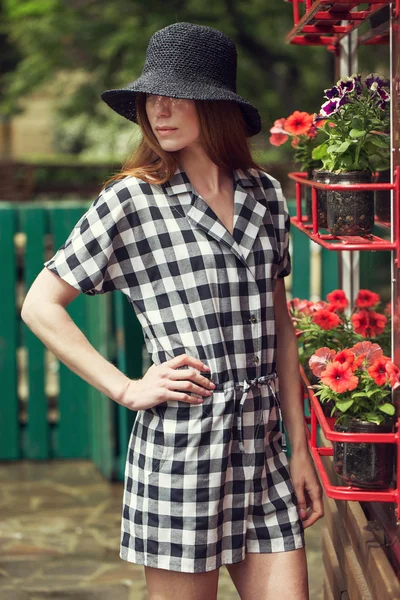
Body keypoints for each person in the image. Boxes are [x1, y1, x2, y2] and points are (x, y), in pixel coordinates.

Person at [21, 21, 323, 600]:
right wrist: (126, 388)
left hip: (261, 454)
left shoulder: (265, 193)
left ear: (216, 105)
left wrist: (299, 448)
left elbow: (281, 329)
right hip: (183, 449)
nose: (157, 108)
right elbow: (41, 304)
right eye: (149, 97)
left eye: (176, 93)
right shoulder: (130, 199)